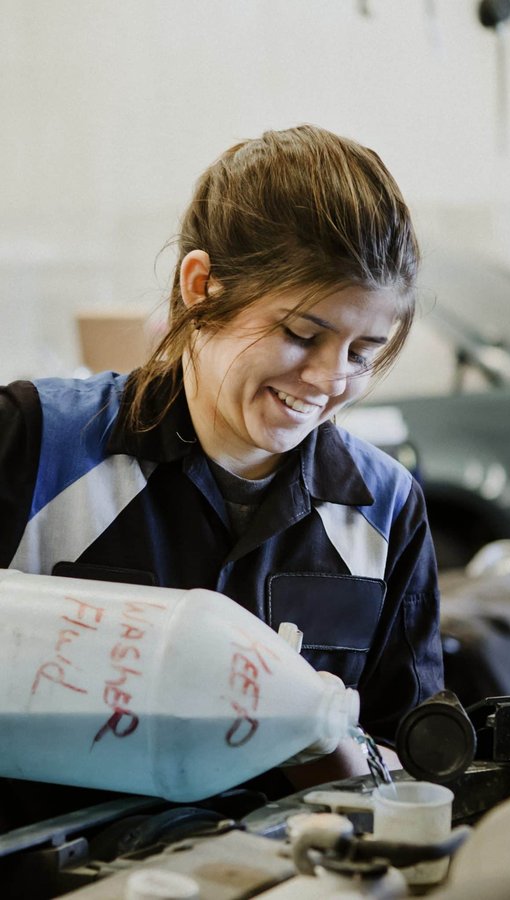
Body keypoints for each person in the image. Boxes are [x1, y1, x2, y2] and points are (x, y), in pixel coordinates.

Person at [0, 124, 443, 799]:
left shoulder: (383, 511)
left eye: (363, 353)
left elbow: (409, 760)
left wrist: (332, 741)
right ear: (201, 286)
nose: (328, 379)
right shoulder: (36, 446)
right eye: (302, 334)